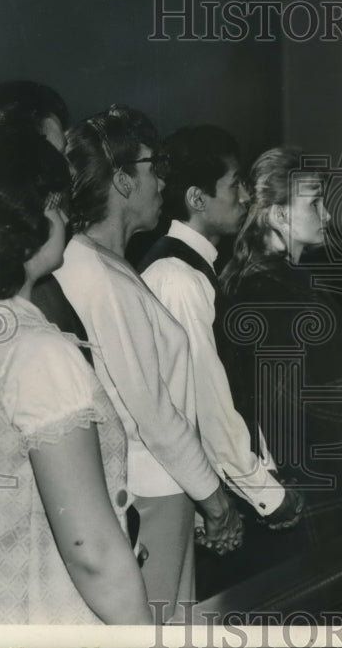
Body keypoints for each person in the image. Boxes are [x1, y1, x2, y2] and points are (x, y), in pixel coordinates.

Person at [0, 133, 150, 624]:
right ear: (29, 219)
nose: (65, 221)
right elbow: (92, 553)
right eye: (57, 206)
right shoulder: (37, 352)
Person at [51, 105, 241, 621]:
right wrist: (214, 499)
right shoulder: (97, 275)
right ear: (122, 180)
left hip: (161, 488)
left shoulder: (106, 265)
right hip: (150, 492)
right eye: (153, 167)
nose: (162, 182)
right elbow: (152, 411)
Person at [136, 126, 303, 594]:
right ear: (197, 198)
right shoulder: (178, 279)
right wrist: (266, 493)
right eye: (235, 184)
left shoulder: (194, 271)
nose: (246, 196)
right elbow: (208, 405)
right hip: (200, 499)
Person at [219, 147, 342, 581]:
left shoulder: (265, 282)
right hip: (316, 487)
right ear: (279, 215)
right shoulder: (269, 290)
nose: (327, 215)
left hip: (318, 478)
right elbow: (296, 400)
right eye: (314, 203)